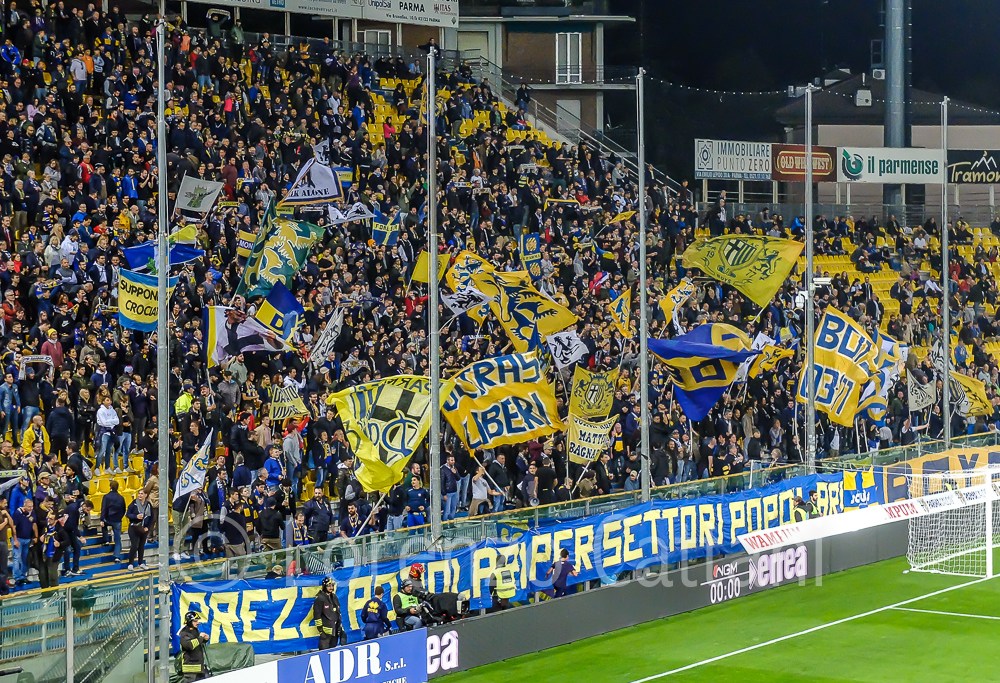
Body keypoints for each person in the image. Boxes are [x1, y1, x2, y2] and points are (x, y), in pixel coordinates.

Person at [313, 577, 345, 649]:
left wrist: (340, 626)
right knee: (324, 652)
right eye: (329, 586)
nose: (331, 588)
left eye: (332, 585)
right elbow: (317, 616)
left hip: (335, 630)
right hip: (326, 632)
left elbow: (338, 612)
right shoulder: (320, 599)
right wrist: (321, 631)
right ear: (324, 586)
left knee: (333, 650)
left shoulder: (334, 597)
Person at [39, 509, 67, 589]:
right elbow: (42, 538)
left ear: (56, 520)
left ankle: (54, 592)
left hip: (54, 555)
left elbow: (67, 541)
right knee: (43, 576)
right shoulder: (46, 528)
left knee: (52, 576)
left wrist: (59, 544)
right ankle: (45, 593)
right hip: (44, 555)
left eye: (51, 519)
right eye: (48, 518)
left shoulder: (60, 530)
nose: (49, 520)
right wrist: (41, 538)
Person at [179, 611, 210, 681]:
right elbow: (189, 645)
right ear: (189, 622)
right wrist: (200, 638)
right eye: (195, 621)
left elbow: (197, 643)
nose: (198, 623)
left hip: (199, 668)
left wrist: (205, 639)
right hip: (191, 671)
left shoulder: (194, 630)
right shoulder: (184, 633)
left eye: (197, 621)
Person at [100, 480, 126, 562]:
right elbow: (124, 509)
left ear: (110, 487)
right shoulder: (121, 498)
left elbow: (103, 509)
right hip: (117, 520)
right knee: (117, 539)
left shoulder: (106, 497)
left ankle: (106, 540)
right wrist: (120, 517)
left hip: (108, 519)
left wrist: (102, 519)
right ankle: (117, 556)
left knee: (104, 526)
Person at [126, 489, 152, 570]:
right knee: (134, 545)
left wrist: (148, 527)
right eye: (139, 493)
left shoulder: (148, 505)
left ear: (146, 495)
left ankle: (140, 563)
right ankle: (130, 563)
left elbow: (151, 517)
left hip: (143, 528)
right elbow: (128, 514)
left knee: (141, 546)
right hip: (134, 527)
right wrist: (135, 516)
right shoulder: (134, 503)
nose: (140, 495)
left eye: (142, 494)